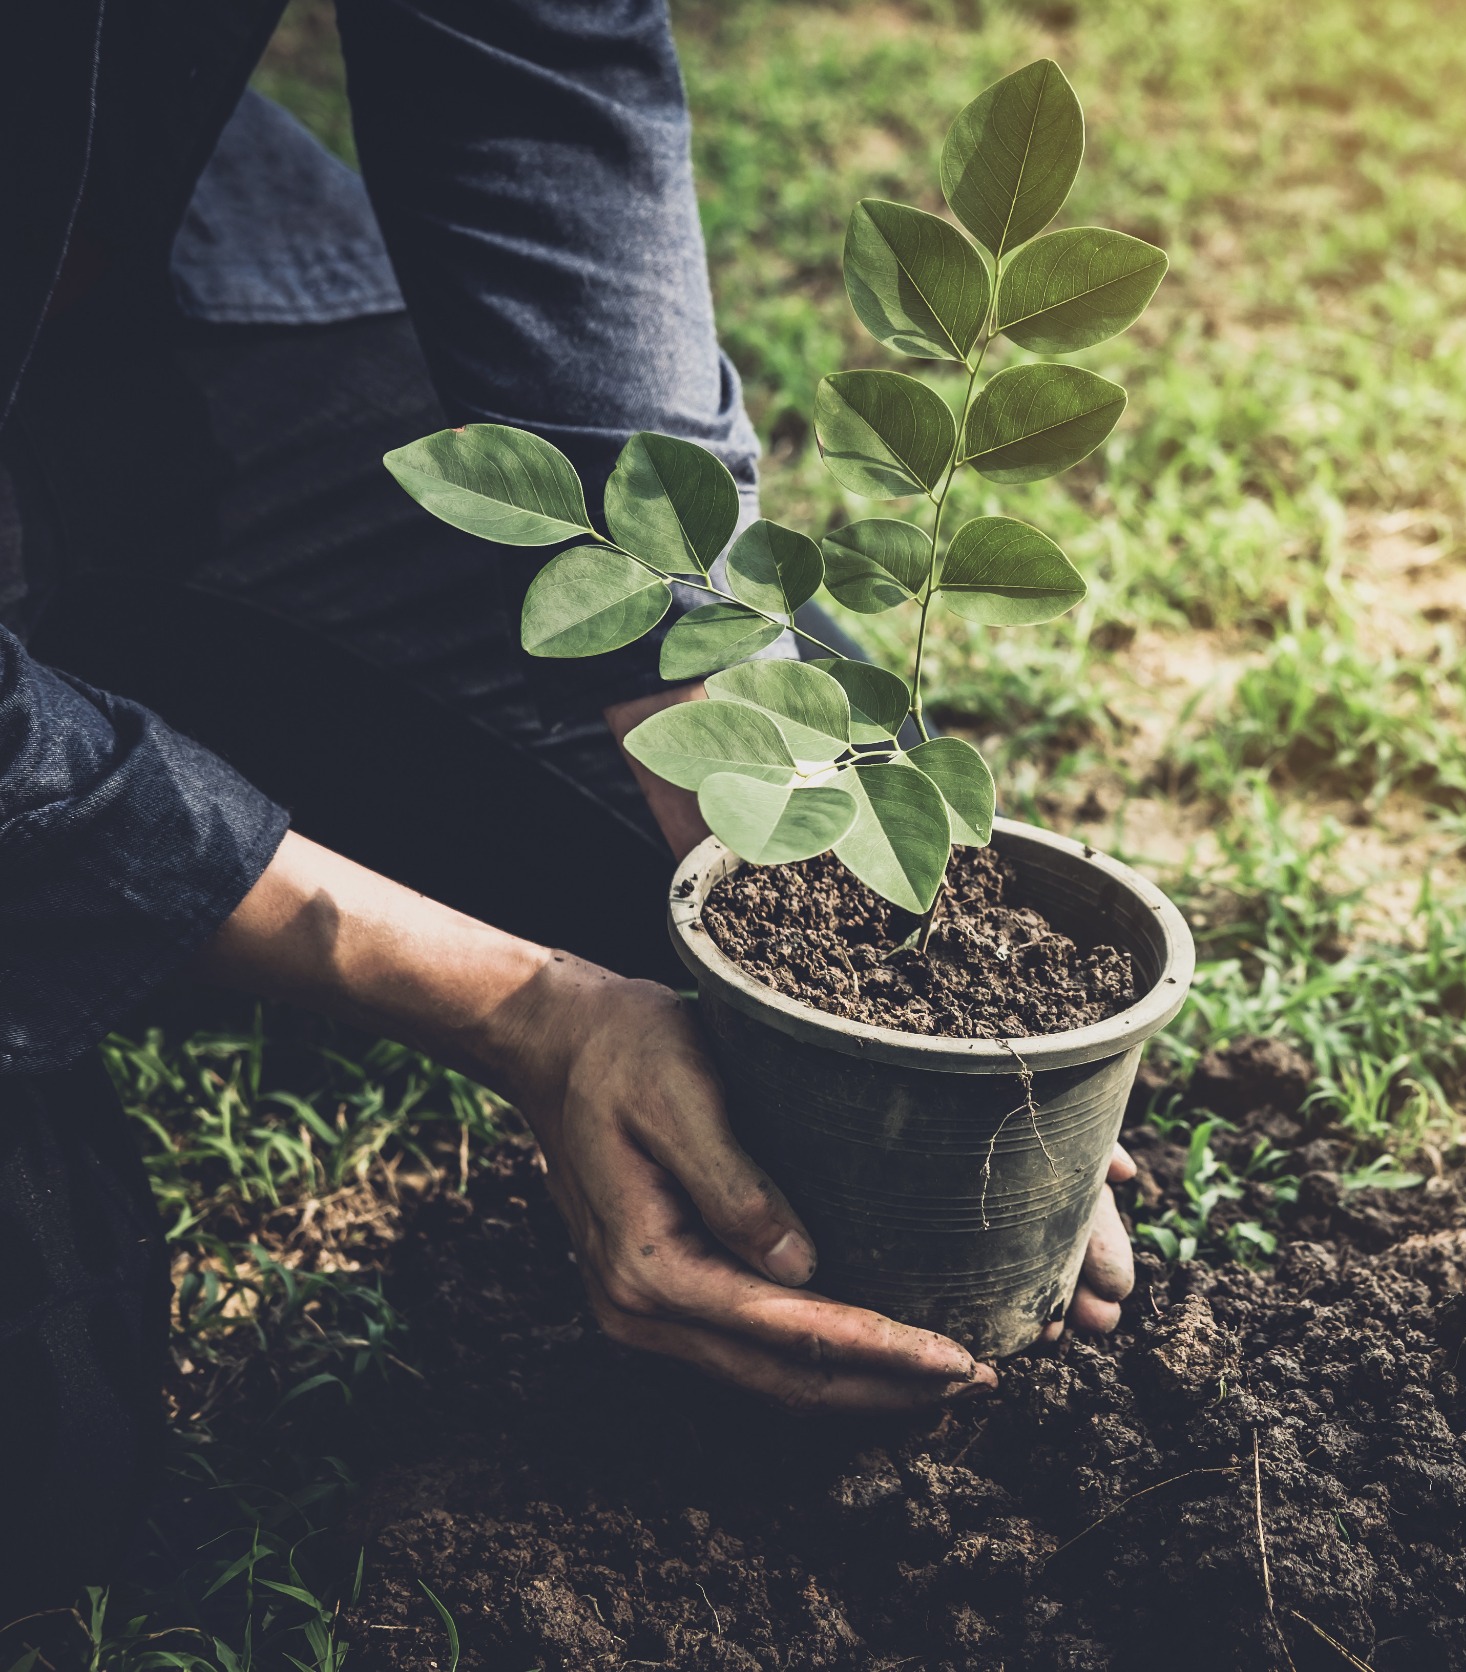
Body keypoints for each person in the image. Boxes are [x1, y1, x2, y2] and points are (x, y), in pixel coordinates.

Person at [0, 0, 1133, 1610]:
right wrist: (523, 1012)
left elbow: (527, 60)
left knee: (751, 856)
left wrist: (705, 683)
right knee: (41, 1466)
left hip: (135, 267)